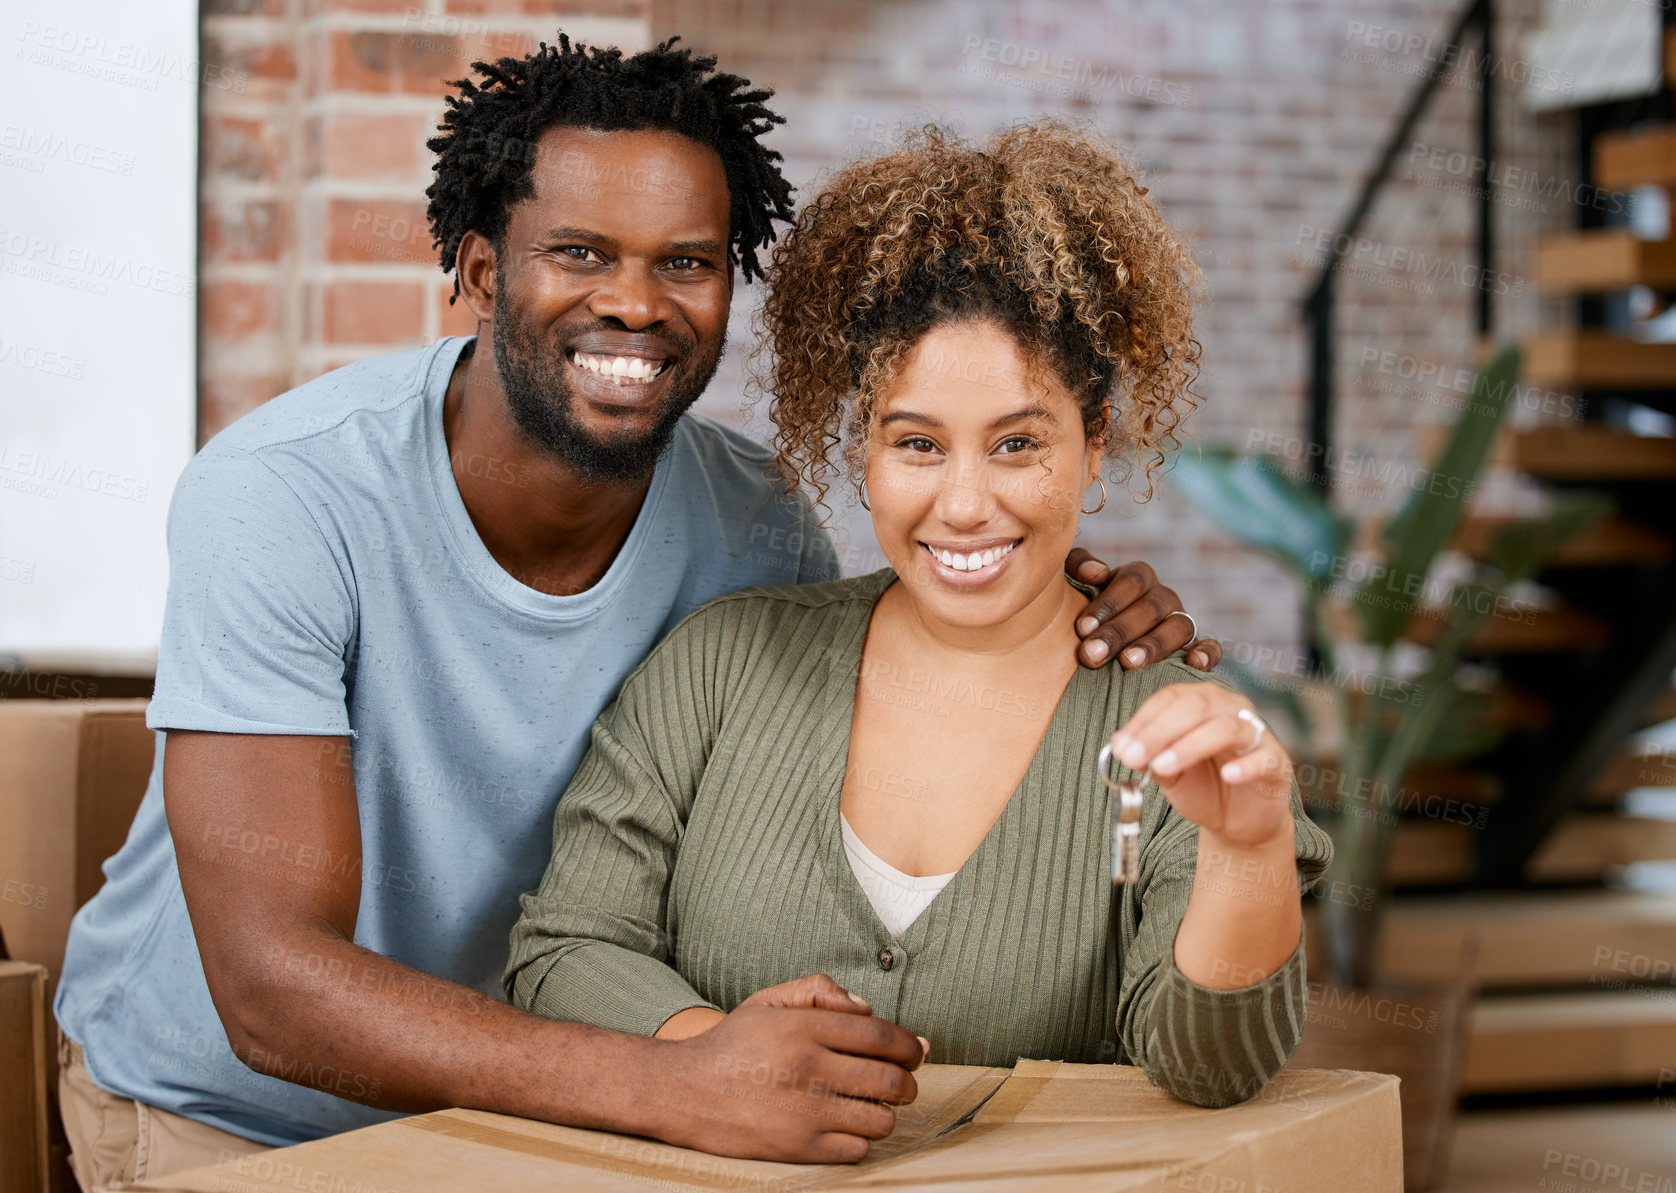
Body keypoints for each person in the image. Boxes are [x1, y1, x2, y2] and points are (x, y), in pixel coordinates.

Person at [51, 37, 1218, 1188]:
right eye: (578, 251)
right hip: (236, 1115)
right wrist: (675, 1081)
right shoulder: (285, 494)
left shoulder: (755, 521)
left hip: (547, 1105)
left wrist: (1067, 596)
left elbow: (838, 762)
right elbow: (270, 990)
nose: (633, 302)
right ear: (475, 269)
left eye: (686, 261)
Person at [505, 123, 1332, 1138]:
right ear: (862, 446)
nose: (966, 502)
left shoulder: (1172, 731)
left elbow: (1213, 1065)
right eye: (917, 443)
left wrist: (1244, 847)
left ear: (1095, 443)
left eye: (1017, 442)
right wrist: (703, 1056)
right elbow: (563, 947)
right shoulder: (717, 664)